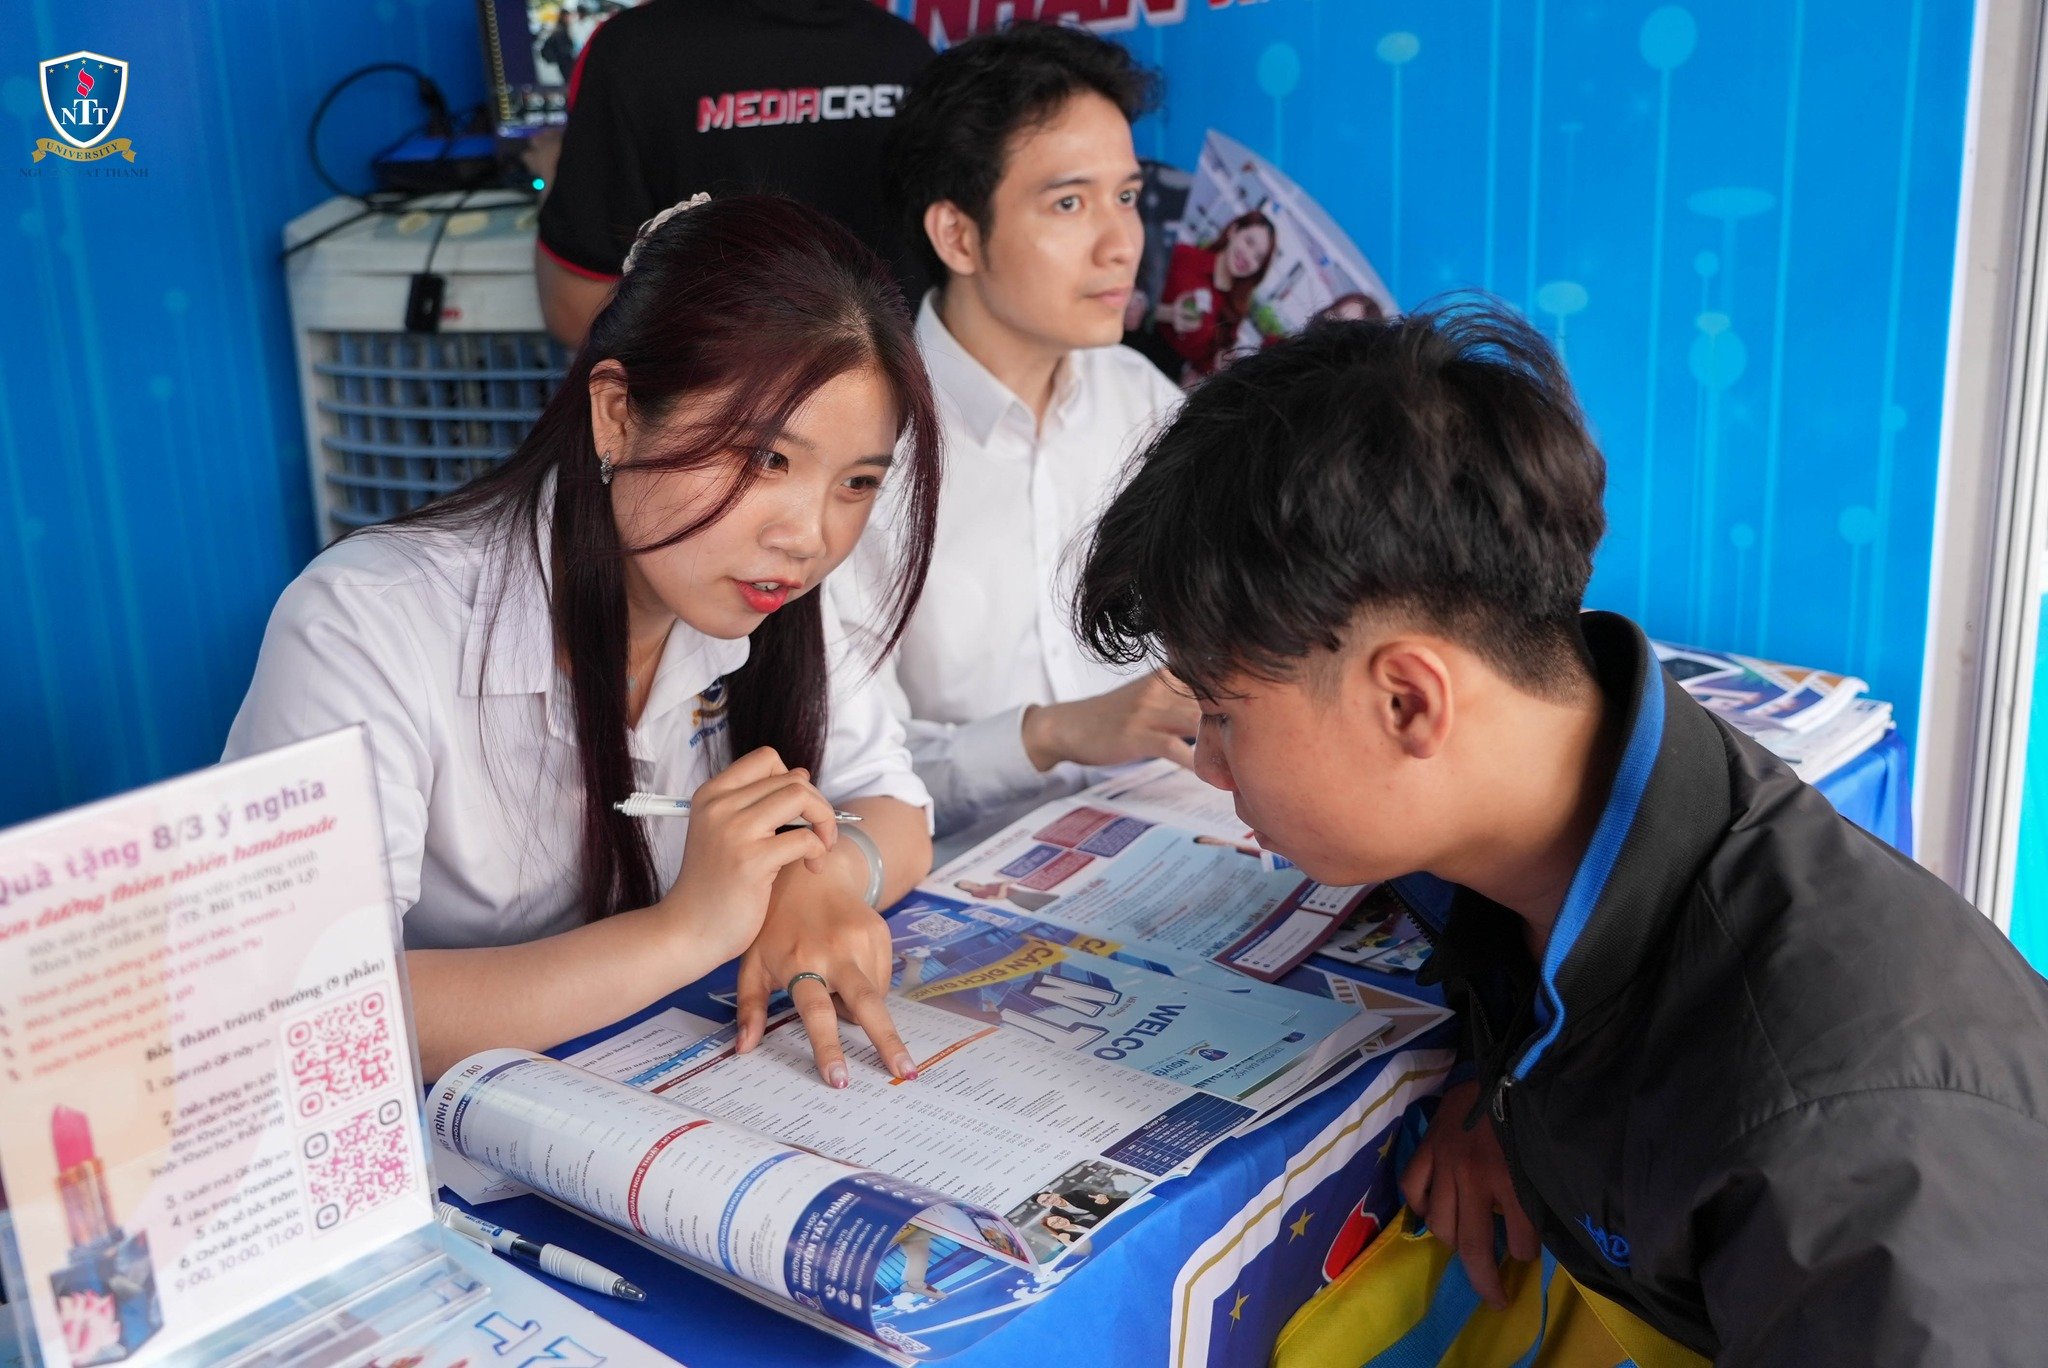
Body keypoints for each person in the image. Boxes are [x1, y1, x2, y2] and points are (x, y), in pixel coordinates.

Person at [1071, 305, 2048, 1361]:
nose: (1208, 764)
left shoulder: (1836, 1136)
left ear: (1408, 702)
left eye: (1223, 714)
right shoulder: (1556, 783)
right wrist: (1505, 1096)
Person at [228, 195, 943, 1089]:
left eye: (858, 483)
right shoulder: (369, 621)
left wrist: (823, 878)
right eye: (766, 459)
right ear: (616, 414)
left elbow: (896, 806)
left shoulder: (766, 587)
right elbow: (310, 1010)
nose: (809, 535)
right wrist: (689, 931)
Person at [835, 22, 1195, 844]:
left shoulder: (1144, 401)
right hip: (952, 873)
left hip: (1168, 840)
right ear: (958, 235)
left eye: (1127, 197)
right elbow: (851, 781)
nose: (1121, 245)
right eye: (1069, 203)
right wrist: (1051, 734)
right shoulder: (858, 443)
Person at [534, 0, 933, 348]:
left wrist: (550, 176)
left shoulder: (632, 51)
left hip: (717, 403)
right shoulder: (905, 50)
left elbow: (576, 314)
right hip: (885, 396)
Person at [1155, 209, 1275, 381]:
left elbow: (1202, 368)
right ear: (1233, 231)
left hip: (1167, 383)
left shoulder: (1235, 310)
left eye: (1258, 258)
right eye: (1249, 242)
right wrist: (1168, 313)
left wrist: (1219, 365)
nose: (1249, 257)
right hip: (1131, 349)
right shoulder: (1184, 256)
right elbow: (1134, 297)